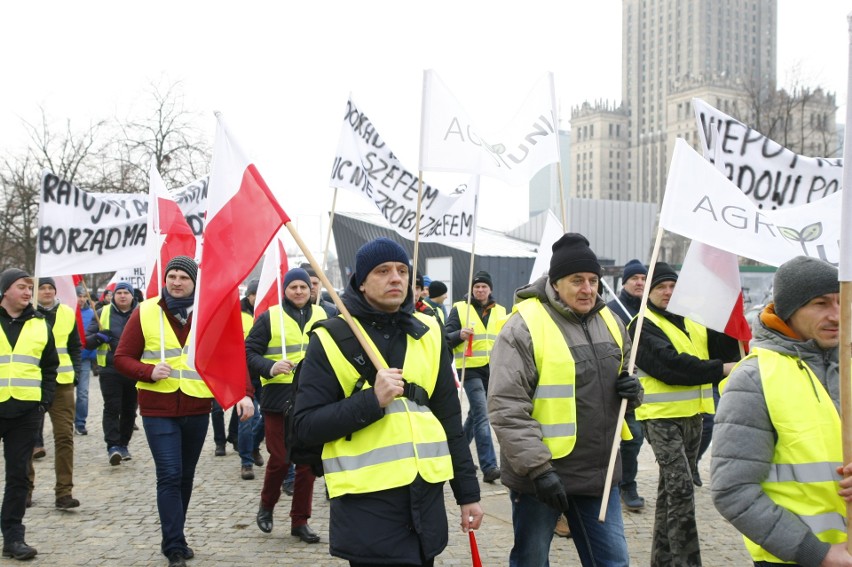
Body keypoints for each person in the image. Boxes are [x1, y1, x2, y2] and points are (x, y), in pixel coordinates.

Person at [294, 237, 483, 566]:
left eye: (402, 270)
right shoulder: (331, 337)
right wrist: (371, 401)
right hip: (367, 507)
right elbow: (305, 427)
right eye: (383, 271)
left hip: (425, 502)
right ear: (362, 283)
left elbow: (450, 419)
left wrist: (468, 495)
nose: (396, 278)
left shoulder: (428, 330)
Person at [488, 233, 638, 566]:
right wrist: (538, 470)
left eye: (593, 280)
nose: (588, 289)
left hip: (598, 471)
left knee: (613, 561)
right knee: (532, 559)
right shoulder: (523, 327)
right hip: (542, 476)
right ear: (555, 284)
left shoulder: (611, 321)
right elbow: (506, 406)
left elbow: (627, 371)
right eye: (577, 280)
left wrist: (632, 390)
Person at [114, 256, 254, 567]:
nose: (176, 282)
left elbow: (231, 355)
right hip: (157, 408)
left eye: (183, 277)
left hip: (196, 406)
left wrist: (244, 394)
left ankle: (174, 535)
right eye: (172, 276)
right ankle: (174, 545)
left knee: (186, 477)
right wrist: (148, 371)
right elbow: (122, 357)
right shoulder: (146, 310)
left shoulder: (208, 313)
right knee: (170, 474)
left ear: (194, 282)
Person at [712, 256, 852, 566]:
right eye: (820, 303)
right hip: (796, 559)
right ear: (789, 311)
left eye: (842, 301)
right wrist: (819, 554)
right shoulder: (754, 378)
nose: (836, 315)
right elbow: (733, 490)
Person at [628, 262, 737, 567]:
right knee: (681, 489)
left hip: (694, 418)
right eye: (661, 287)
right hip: (661, 419)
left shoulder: (695, 320)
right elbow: (670, 366)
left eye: (673, 287)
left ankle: (662, 561)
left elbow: (726, 352)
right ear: (648, 292)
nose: (668, 292)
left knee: (670, 494)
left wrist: (728, 316)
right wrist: (722, 369)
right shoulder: (640, 324)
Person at [247, 268, 323, 542]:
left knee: (306, 464)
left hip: (312, 398)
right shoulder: (270, 318)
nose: (300, 291)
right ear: (286, 290)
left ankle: (299, 521)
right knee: (279, 458)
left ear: (311, 289)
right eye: (294, 287)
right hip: (277, 398)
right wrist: (270, 366)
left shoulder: (324, 315)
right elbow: (249, 351)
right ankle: (266, 506)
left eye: (304, 286)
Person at [0, 268, 58, 560]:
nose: (27, 292)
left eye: (29, 288)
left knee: (18, 476)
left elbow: (50, 367)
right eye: (22, 287)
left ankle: (13, 539)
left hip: (25, 412)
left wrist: (43, 402)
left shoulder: (39, 323)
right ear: (6, 289)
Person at [445, 270, 505, 484]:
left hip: (493, 370)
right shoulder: (460, 309)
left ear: (490, 289)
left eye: (484, 287)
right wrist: (458, 335)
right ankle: (489, 466)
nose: (480, 290)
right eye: (476, 286)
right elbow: (445, 338)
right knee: (482, 414)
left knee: (474, 416)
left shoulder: (501, 311)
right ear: (471, 289)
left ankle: (455, 452)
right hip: (470, 370)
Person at [28, 278, 82, 510]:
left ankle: (64, 492)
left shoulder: (68, 313)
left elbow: (74, 346)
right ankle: (25, 490)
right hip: (31, 383)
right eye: (43, 287)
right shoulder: (25, 313)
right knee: (26, 441)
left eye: (51, 288)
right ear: (35, 291)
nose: (47, 291)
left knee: (64, 437)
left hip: (62, 383)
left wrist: (77, 373)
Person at [606, 258, 648, 512]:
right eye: (635, 279)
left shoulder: (651, 309)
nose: (639, 283)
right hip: (622, 383)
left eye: (643, 279)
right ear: (625, 283)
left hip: (652, 388)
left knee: (636, 439)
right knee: (631, 437)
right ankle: (622, 485)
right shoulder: (613, 309)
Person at [86, 281, 139, 465]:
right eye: (119, 293)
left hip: (134, 370)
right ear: (113, 296)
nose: (122, 296)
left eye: (126, 292)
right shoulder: (102, 313)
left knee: (129, 410)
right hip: (110, 369)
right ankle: (113, 446)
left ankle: (124, 444)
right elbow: (87, 341)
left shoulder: (142, 313)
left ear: (133, 296)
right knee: (112, 408)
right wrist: (99, 337)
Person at [74, 286, 97, 436]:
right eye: (78, 296)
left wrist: (89, 352)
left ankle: (80, 422)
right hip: (66, 360)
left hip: (84, 359)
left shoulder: (91, 313)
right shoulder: (67, 312)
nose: (81, 299)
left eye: (83, 296)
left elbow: (93, 335)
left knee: (82, 393)